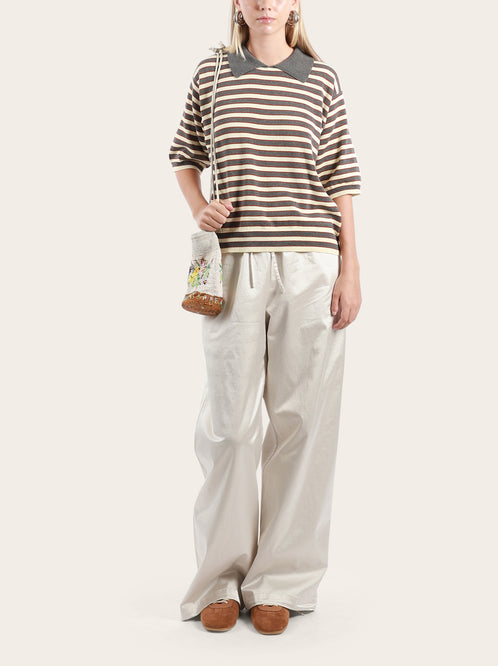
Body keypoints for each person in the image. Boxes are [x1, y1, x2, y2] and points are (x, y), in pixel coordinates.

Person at [168, 0, 362, 635]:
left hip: (312, 264)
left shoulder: (322, 78)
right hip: (235, 264)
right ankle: (219, 581)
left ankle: (282, 579)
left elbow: (341, 179)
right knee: (229, 425)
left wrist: (351, 270)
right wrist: (198, 206)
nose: (266, 2)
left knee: (302, 422)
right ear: (238, 3)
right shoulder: (213, 73)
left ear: (296, 3)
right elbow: (184, 153)